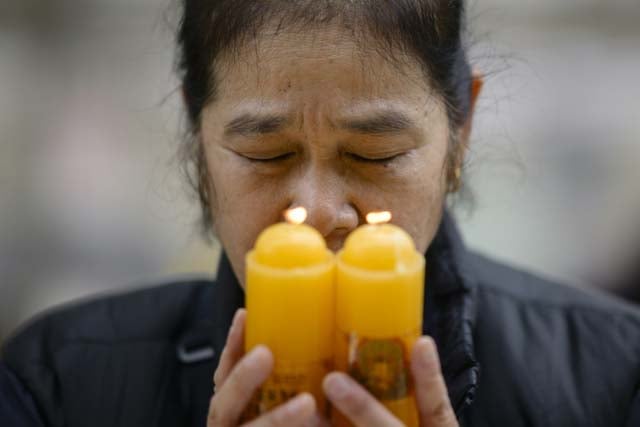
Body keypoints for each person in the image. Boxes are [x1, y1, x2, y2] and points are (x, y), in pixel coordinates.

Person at [1, 1, 640, 426]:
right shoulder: (54, 383)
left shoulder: (612, 376)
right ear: (197, 134)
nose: (316, 211)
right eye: (266, 152)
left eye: (374, 154)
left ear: (461, 129)